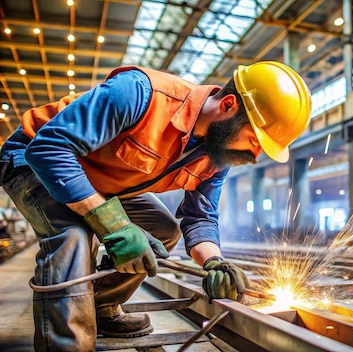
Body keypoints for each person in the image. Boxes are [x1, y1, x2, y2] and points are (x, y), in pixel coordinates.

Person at [0, 62, 312, 350]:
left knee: (162, 228)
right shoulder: (140, 94)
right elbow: (49, 148)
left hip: (102, 183)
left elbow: (200, 217)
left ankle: (102, 308)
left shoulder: (219, 154)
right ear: (228, 106)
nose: (254, 154)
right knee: (73, 238)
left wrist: (216, 263)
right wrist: (116, 227)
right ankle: (67, 346)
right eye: (254, 140)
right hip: (33, 162)